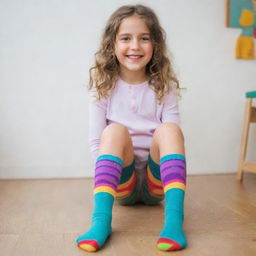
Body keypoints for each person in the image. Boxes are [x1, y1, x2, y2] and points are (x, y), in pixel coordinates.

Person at [76, 4, 187, 252]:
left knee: (169, 129)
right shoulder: (103, 87)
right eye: (126, 38)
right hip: (121, 184)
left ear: (155, 45)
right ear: (112, 45)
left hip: (154, 182)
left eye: (144, 38)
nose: (135, 46)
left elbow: (174, 141)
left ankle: (174, 222)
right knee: (114, 131)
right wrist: (108, 179)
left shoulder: (164, 86)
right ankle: (101, 222)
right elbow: (96, 144)